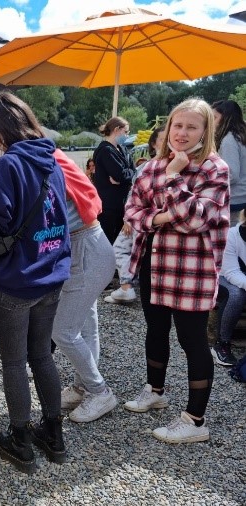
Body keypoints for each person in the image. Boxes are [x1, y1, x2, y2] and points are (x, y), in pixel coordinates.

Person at [0, 92, 71, 474]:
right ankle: (53, 434)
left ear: (1, 132)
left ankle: (20, 438)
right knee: (42, 355)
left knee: (13, 361)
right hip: (51, 273)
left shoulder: (8, 166)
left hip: (16, 280)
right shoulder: (50, 159)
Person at [123, 98, 229, 444]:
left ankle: (195, 420)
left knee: (192, 341)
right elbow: (132, 213)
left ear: (205, 131)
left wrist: (172, 179)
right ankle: (156, 390)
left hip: (192, 269)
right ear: (168, 128)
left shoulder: (214, 168)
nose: (181, 133)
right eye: (177, 126)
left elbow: (197, 219)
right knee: (155, 330)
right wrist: (163, 217)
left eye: (191, 127)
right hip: (154, 261)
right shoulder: (153, 165)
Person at [50, 147, 118, 423]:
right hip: (86, 245)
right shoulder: (52, 155)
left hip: (87, 246)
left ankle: (100, 391)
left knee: (62, 330)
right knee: (87, 324)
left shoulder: (45, 159)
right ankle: (82, 387)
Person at [105, 127, 164, 304]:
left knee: (128, 251)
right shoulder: (146, 166)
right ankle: (126, 286)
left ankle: (127, 287)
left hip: (152, 221)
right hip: (138, 220)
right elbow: (134, 194)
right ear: (153, 143)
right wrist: (128, 219)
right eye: (162, 139)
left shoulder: (174, 167)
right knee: (119, 249)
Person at [93, 116, 136, 244]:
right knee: (109, 241)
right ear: (117, 129)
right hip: (108, 207)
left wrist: (126, 176)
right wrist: (126, 176)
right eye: (126, 132)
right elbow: (121, 175)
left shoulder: (122, 149)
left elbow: (133, 171)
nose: (127, 135)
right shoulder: (106, 150)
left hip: (121, 205)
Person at [212, 209, 246, 366]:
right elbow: (232, 273)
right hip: (223, 276)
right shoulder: (231, 235)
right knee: (237, 294)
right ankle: (221, 344)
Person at [212, 100, 246, 225]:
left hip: (235, 200)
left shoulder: (229, 139)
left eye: (214, 118)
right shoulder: (241, 134)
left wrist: (209, 180)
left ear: (226, 118)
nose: (212, 122)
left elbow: (231, 174)